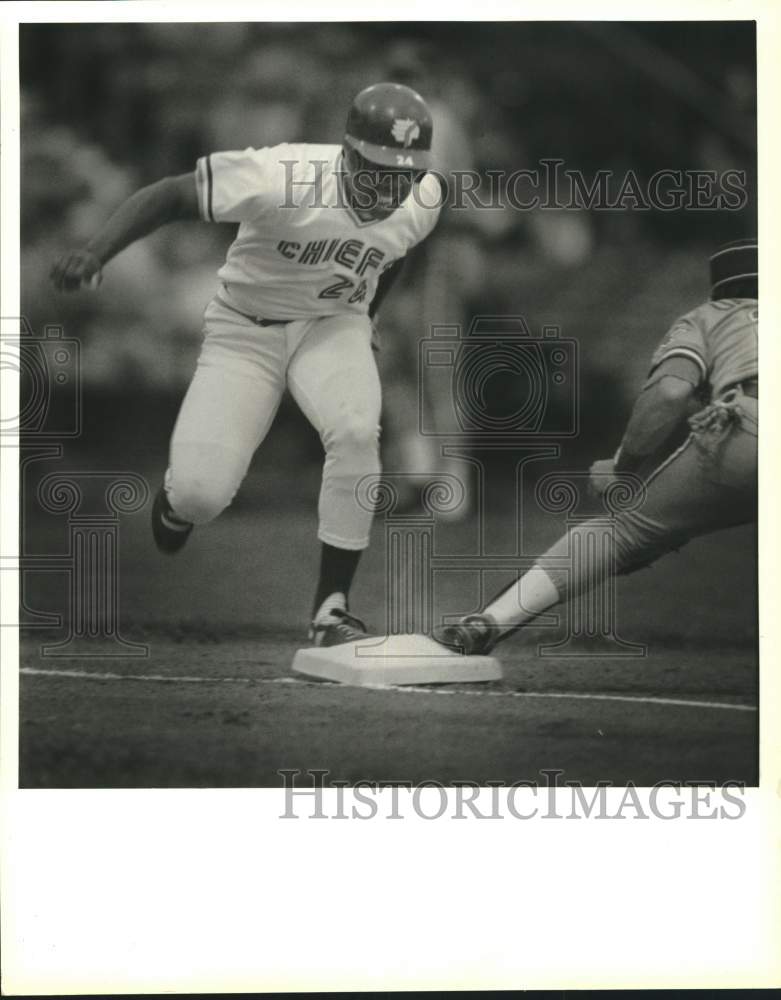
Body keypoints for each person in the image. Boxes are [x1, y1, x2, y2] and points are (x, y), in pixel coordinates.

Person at [51, 82, 442, 647]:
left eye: (405, 173)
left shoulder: (423, 197)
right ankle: (178, 503)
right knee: (201, 494)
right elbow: (170, 195)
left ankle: (332, 607)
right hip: (245, 329)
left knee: (357, 430)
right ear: (349, 152)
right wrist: (96, 252)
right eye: (380, 169)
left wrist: (370, 314)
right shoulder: (283, 176)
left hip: (333, 324)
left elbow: (397, 251)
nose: (393, 186)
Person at [434, 238, 758, 655]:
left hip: (749, 431)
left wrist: (624, 467)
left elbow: (671, 393)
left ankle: (487, 624)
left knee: (621, 532)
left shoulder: (713, 315)